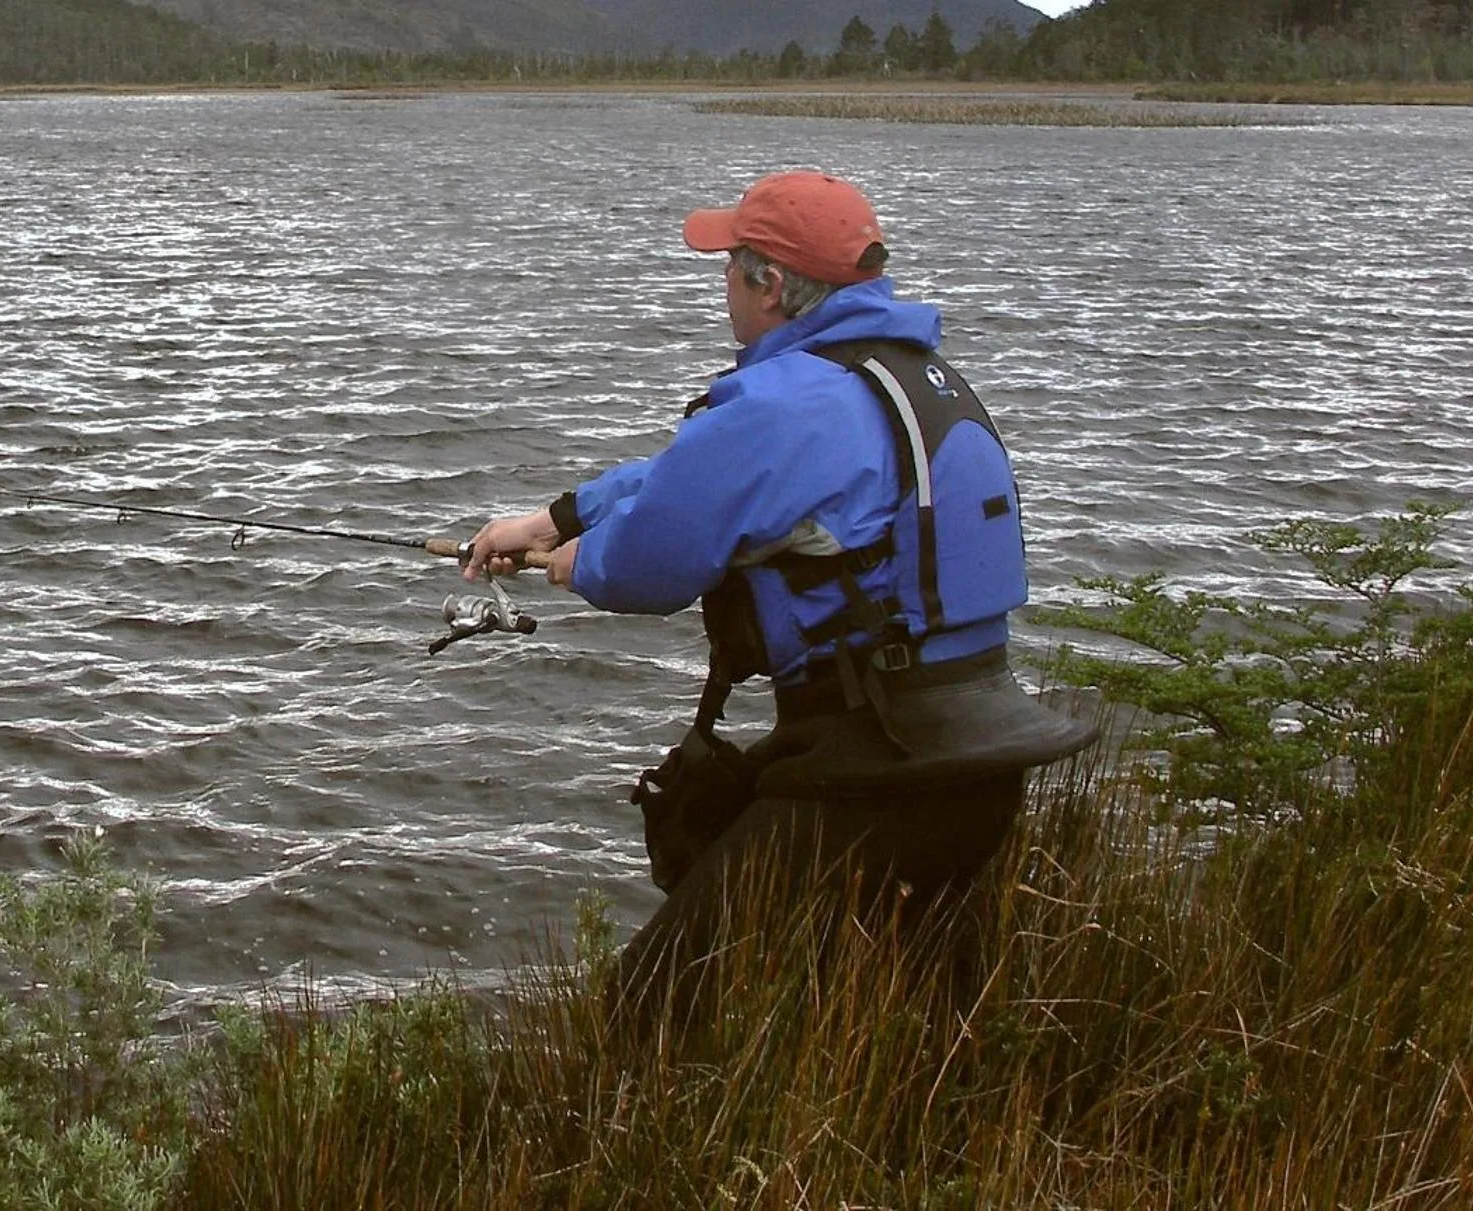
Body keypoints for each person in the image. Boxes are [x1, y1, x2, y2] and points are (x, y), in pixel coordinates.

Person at [465, 170, 1098, 1029]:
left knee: (649, 1015)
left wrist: (580, 561)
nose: (721, 282)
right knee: (910, 1022)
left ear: (767, 283)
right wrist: (552, 516)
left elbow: (651, 562)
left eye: (729, 264)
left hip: (880, 767)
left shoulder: (784, 401)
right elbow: (692, 479)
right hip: (976, 754)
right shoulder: (909, 378)